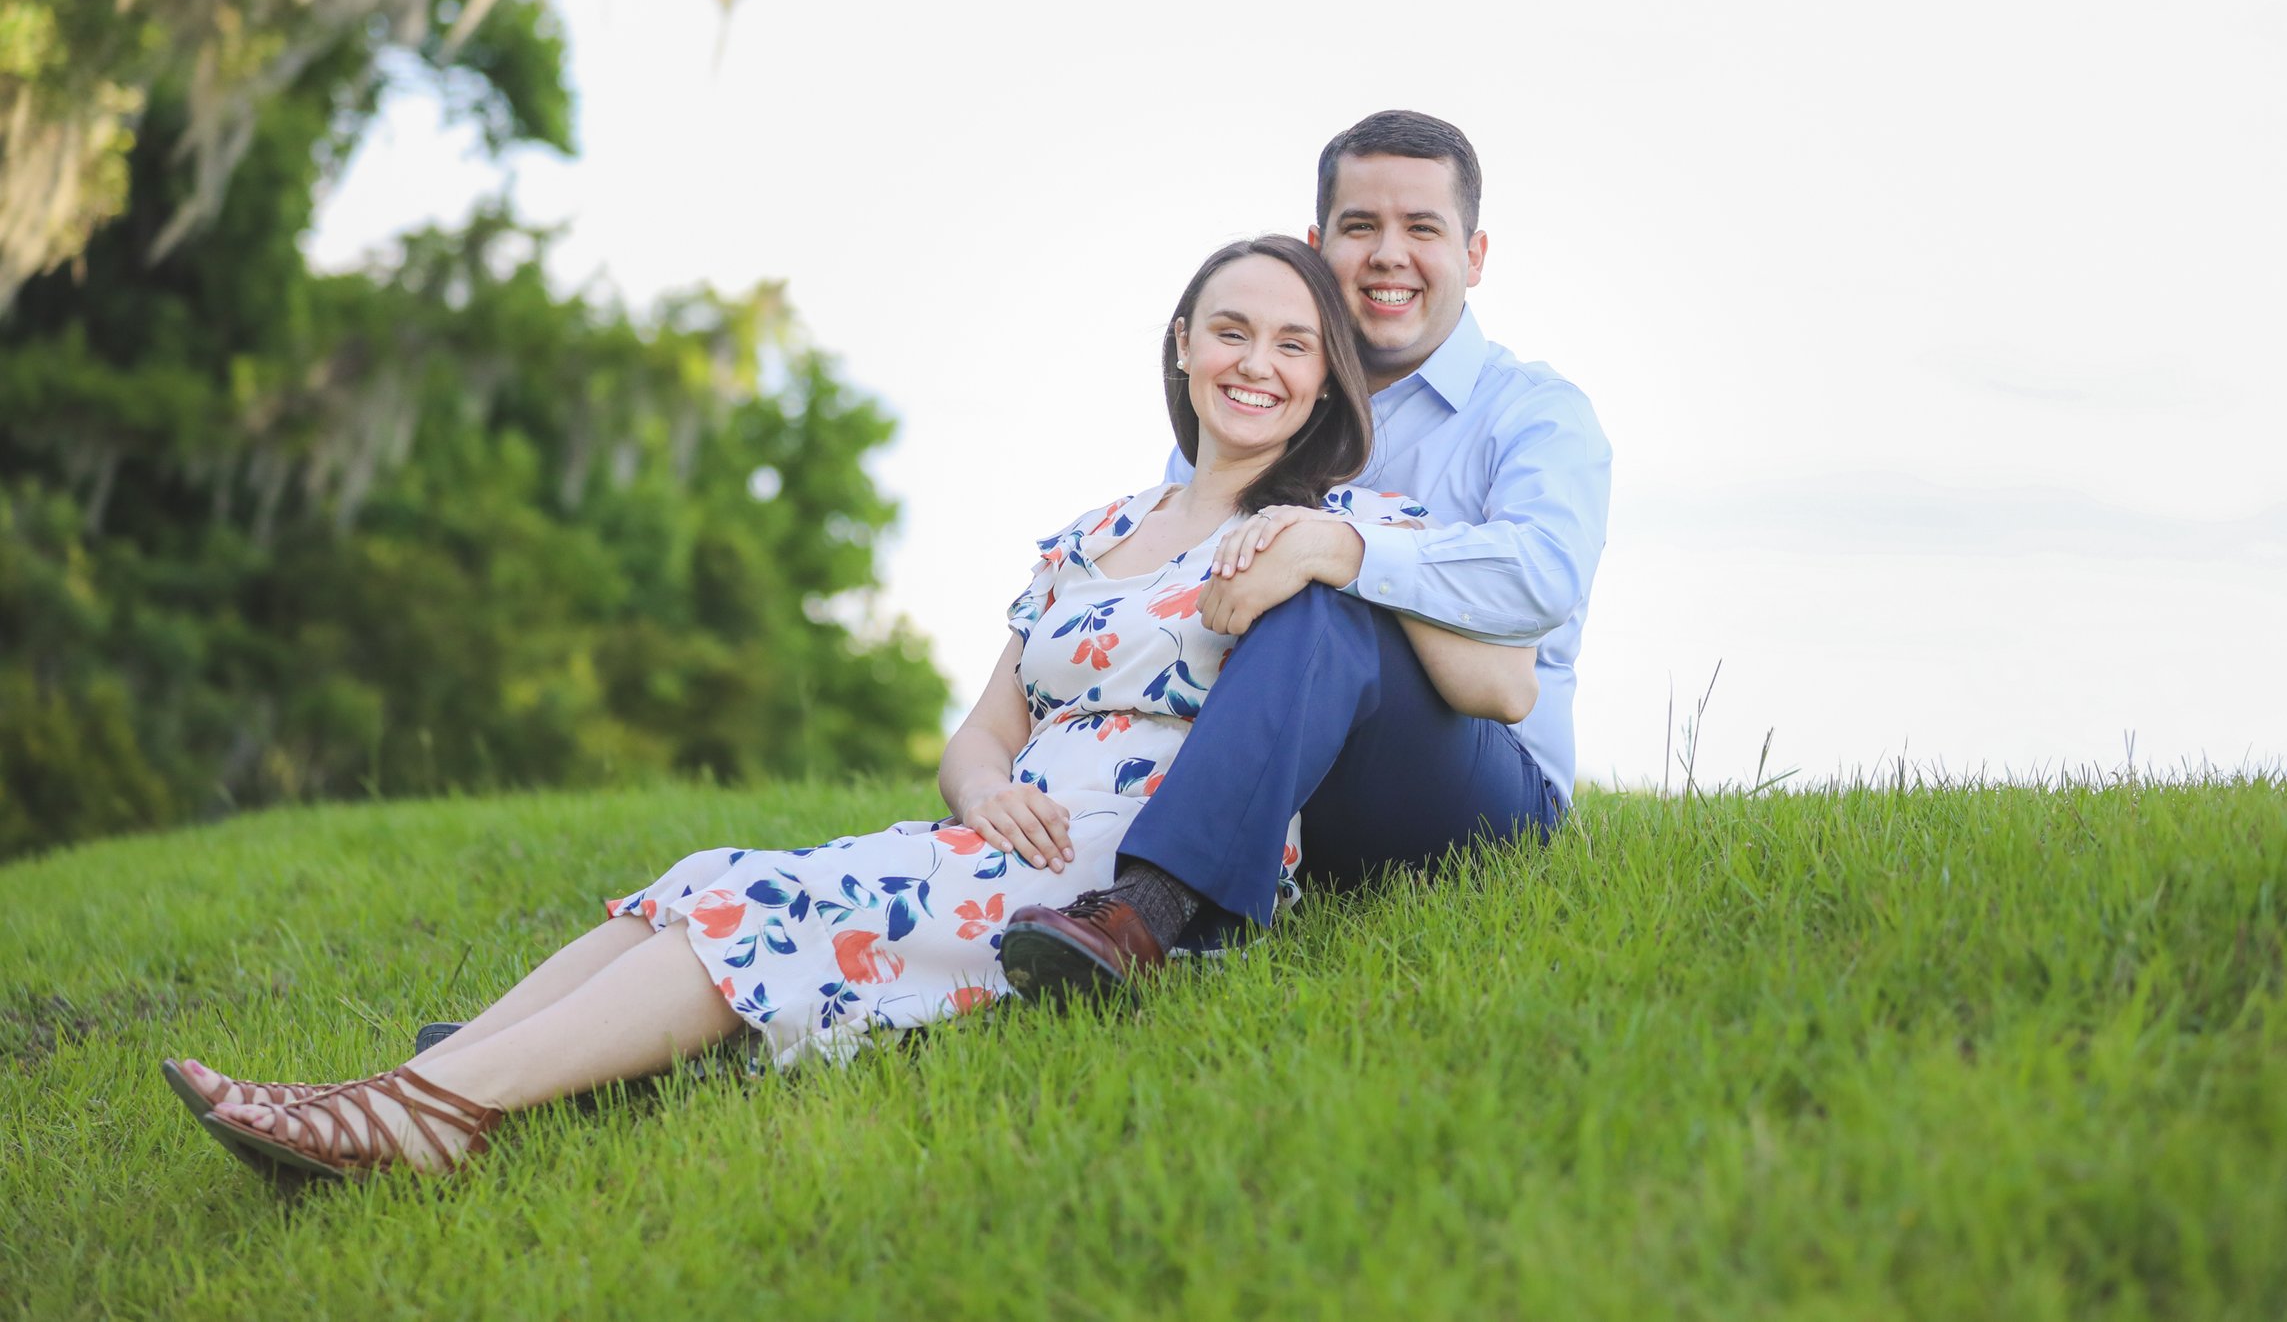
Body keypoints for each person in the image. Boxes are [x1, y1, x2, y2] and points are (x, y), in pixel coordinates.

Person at [161, 235, 1538, 1181]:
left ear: (1325, 381)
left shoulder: (1349, 517)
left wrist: (1338, 552)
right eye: (1231, 327)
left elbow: (1499, 680)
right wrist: (981, 783)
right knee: (703, 874)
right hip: (1013, 829)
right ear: (1181, 345)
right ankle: (415, 1083)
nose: (1260, 361)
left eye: (1296, 343)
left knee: (761, 910)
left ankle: (437, 1114)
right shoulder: (1092, 530)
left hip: (1125, 864)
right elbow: (983, 721)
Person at [999, 110, 1610, 1000]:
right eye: (1361, 227)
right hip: (1274, 780)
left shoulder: (1536, 415)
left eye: (1422, 229)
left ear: (1474, 256)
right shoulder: (1256, 401)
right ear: (1320, 247)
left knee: (1322, 597)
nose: (1389, 254)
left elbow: (1539, 582)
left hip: (1471, 782)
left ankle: (1154, 910)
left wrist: (1341, 549)